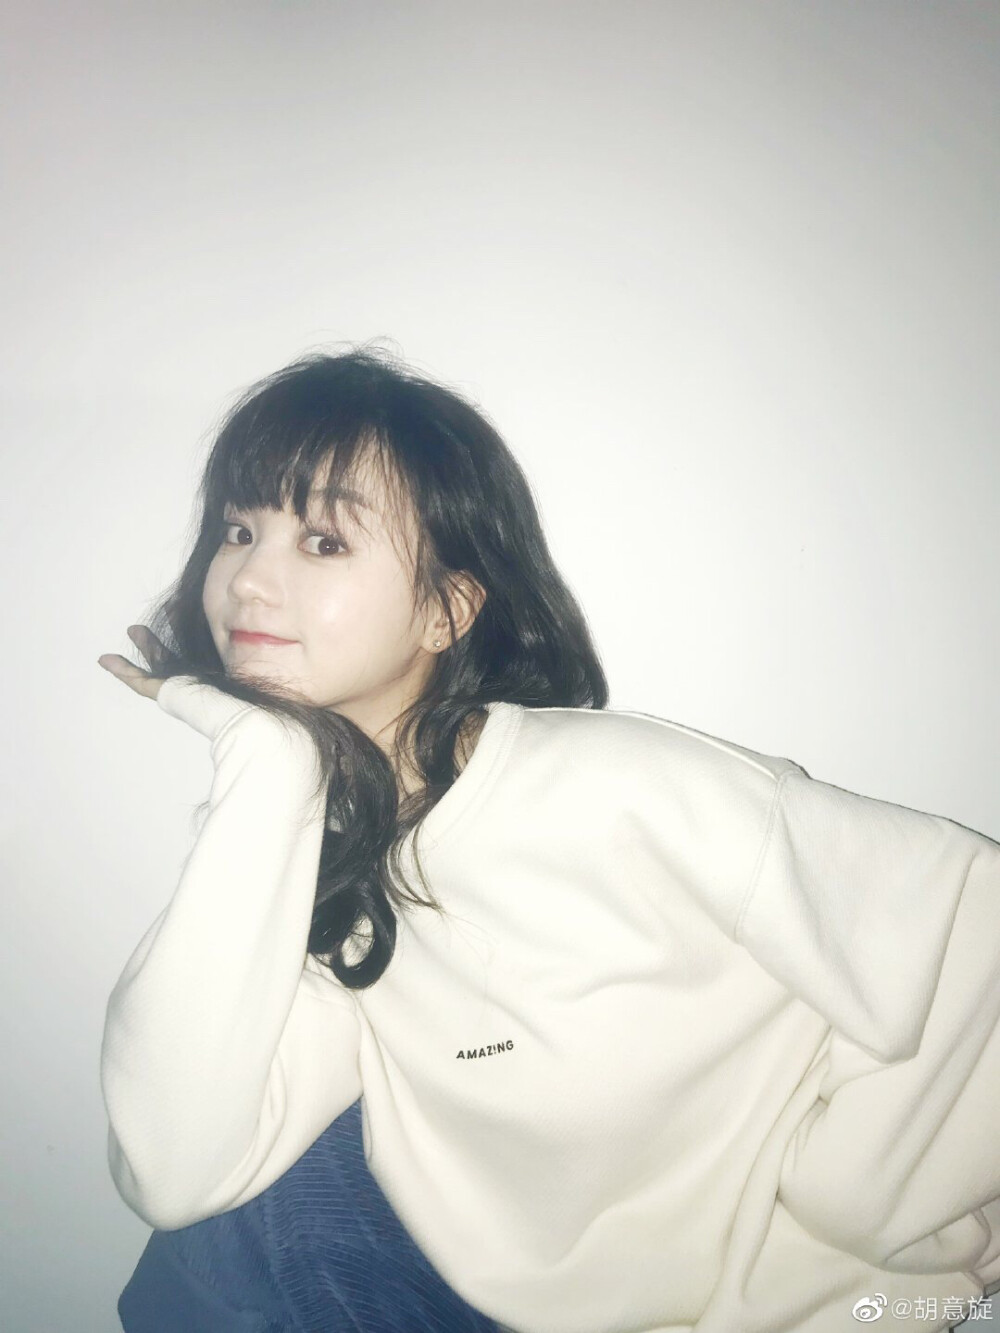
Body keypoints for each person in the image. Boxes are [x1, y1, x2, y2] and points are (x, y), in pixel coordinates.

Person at [98, 349, 1000, 1333]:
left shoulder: (619, 789)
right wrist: (264, 767)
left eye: (322, 541)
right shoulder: (323, 860)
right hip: (510, 1301)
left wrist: (865, 1203)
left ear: (446, 609)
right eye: (238, 530)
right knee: (234, 1226)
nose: (246, 580)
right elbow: (175, 1172)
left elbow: (974, 916)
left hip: (782, 1302)